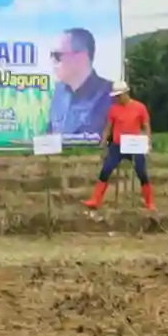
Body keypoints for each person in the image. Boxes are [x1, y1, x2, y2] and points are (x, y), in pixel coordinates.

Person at [83, 80, 155, 211]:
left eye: (119, 95)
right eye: (116, 96)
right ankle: (96, 200)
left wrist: (148, 143)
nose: (117, 98)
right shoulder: (113, 109)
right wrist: (104, 143)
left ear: (126, 93)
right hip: (117, 145)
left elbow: (146, 126)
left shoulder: (140, 107)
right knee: (106, 170)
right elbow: (108, 128)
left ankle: (149, 203)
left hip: (134, 145)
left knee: (141, 172)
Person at [47, 27, 114, 142]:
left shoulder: (110, 95)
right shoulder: (57, 91)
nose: (52, 62)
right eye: (51, 55)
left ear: (82, 57)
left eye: (57, 56)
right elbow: (50, 134)